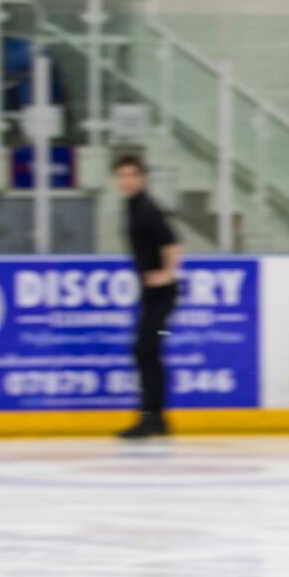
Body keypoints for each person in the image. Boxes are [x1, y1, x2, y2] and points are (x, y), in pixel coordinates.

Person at [113, 154, 181, 440]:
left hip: (162, 293)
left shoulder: (147, 209)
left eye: (132, 175)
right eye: (122, 175)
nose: (127, 180)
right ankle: (157, 418)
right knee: (148, 352)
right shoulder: (132, 207)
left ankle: (150, 419)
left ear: (142, 178)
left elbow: (173, 243)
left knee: (145, 350)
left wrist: (167, 272)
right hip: (152, 293)